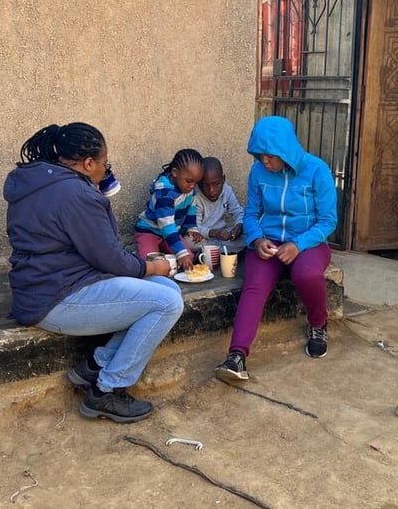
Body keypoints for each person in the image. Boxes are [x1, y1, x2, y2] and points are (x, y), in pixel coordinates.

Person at [4, 122, 183, 423]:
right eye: (105, 163)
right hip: (56, 299)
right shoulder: (74, 193)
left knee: (169, 290)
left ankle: (95, 365)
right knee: (167, 302)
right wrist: (153, 266)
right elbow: (111, 258)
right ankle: (108, 391)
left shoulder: (42, 179)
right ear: (88, 163)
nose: (106, 169)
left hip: (49, 287)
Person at [214, 116, 338, 382]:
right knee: (254, 284)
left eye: (269, 156)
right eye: (259, 156)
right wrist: (257, 240)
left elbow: (328, 220)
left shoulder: (317, 170)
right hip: (268, 243)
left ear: (285, 150)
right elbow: (250, 214)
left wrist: (298, 244)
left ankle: (318, 324)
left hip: (309, 242)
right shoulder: (258, 172)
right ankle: (236, 356)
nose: (264, 162)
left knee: (306, 274)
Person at [134, 148, 205, 272]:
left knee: (189, 258)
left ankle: (163, 253)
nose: (192, 186)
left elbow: (191, 209)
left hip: (171, 233)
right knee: (150, 264)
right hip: (150, 231)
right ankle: (135, 256)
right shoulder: (164, 193)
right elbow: (166, 225)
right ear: (175, 172)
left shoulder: (189, 189)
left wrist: (191, 228)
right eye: (189, 181)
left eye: (196, 182)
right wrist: (180, 253)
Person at [194, 156, 246, 255]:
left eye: (216, 184)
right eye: (205, 185)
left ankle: (210, 253)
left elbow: (238, 212)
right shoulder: (196, 196)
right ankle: (222, 251)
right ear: (198, 184)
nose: (211, 190)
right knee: (190, 241)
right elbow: (195, 227)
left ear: (223, 179)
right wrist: (214, 233)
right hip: (204, 236)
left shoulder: (227, 191)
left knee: (249, 232)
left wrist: (239, 226)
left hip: (224, 235)